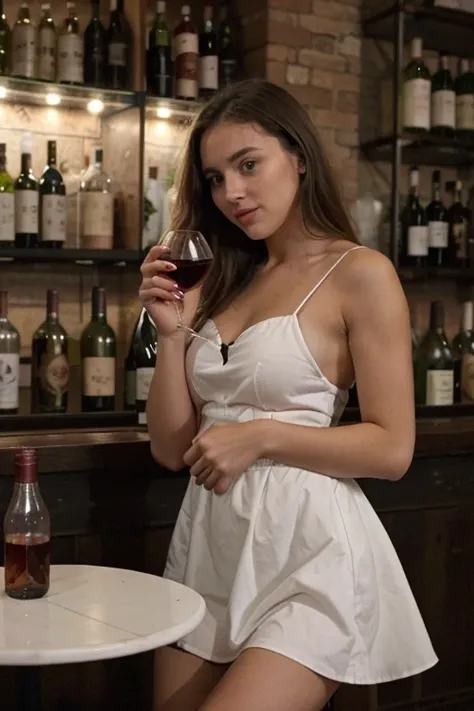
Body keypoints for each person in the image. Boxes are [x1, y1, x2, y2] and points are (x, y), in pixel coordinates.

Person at [138, 78, 437, 711]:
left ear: (297, 154)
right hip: (210, 544)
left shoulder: (360, 273)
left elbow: (393, 448)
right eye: (216, 178)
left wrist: (261, 435)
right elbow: (170, 449)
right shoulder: (221, 279)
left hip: (310, 551)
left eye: (249, 165)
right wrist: (170, 336)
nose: (232, 193)